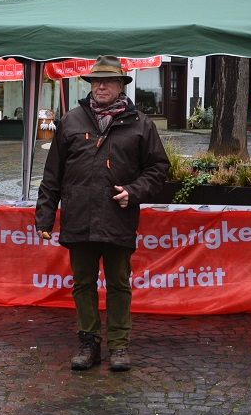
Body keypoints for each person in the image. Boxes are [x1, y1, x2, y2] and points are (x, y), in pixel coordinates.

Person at [35, 55, 169, 373]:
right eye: (96, 81)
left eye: (108, 81)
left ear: (121, 85)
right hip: (79, 217)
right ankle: (89, 344)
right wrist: (44, 216)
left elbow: (158, 168)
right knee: (83, 284)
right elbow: (52, 175)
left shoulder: (140, 124)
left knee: (118, 283)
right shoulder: (71, 121)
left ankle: (119, 346)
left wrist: (134, 191)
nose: (101, 86)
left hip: (117, 218)